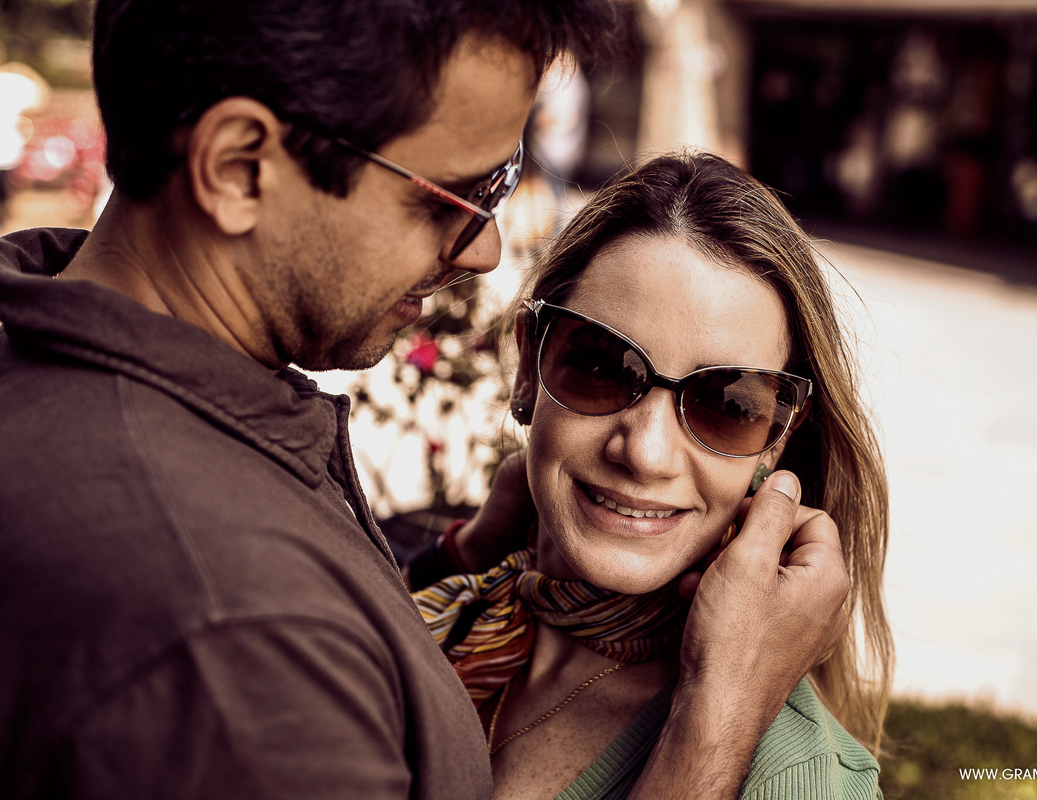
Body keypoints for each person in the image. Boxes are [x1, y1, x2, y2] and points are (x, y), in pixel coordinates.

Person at [0, 2, 852, 799]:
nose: (484, 248)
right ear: (238, 166)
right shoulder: (239, 642)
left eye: (727, 404)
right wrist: (714, 727)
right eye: (455, 193)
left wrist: (448, 561)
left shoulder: (46, 365)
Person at [412, 151, 893, 799]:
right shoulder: (447, 612)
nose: (647, 453)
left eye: (727, 405)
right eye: (603, 367)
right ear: (529, 367)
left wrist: (716, 708)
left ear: (777, 437)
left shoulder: (795, 776)